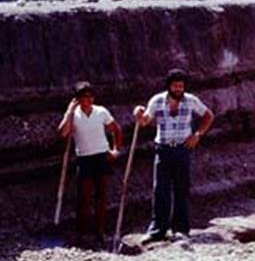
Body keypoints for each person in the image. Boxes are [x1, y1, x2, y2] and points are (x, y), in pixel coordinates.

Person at [133, 69, 215, 244]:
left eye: (181, 86)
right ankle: (157, 230)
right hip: (163, 149)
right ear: (169, 85)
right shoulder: (157, 100)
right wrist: (138, 115)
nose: (178, 89)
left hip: (182, 149)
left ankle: (181, 230)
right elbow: (145, 121)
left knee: (181, 189)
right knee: (160, 190)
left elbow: (209, 116)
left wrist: (197, 135)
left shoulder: (191, 100)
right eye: (175, 85)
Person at [57, 81, 123, 245]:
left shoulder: (101, 111)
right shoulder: (74, 115)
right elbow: (63, 133)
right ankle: (81, 233)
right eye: (83, 96)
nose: (88, 99)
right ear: (77, 98)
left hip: (101, 155)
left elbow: (116, 129)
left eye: (90, 96)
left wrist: (116, 150)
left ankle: (100, 232)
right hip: (84, 158)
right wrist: (69, 111)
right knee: (84, 198)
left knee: (101, 196)